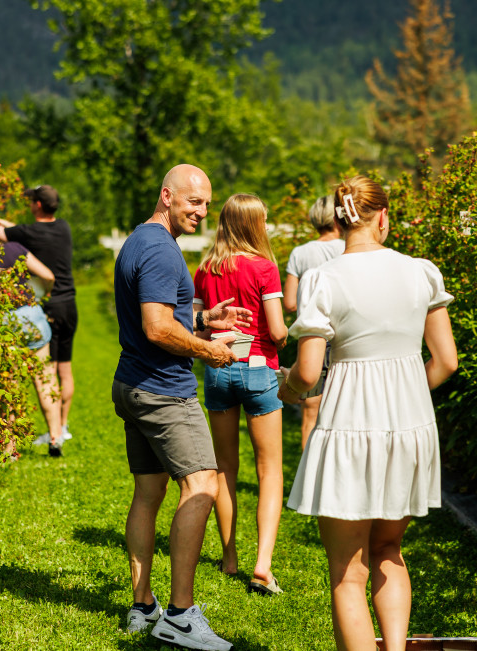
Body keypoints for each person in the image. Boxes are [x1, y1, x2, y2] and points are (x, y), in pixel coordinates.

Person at [277, 176, 458, 651]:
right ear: (383, 217)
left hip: (349, 425)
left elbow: (310, 371)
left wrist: (288, 389)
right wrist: (405, 394)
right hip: (410, 427)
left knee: (347, 572)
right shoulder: (422, 271)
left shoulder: (322, 278)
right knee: (388, 550)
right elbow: (446, 361)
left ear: (339, 221)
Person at [113, 164, 252, 651]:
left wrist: (202, 316)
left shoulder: (139, 240)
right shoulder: (159, 249)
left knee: (148, 493)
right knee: (204, 485)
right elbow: (156, 328)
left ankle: (142, 605)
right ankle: (180, 615)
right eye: (194, 202)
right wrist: (213, 349)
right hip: (163, 390)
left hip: (133, 384)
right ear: (167, 196)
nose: (202, 212)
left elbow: (158, 311)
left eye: (207, 204)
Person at [193, 193, 287, 595]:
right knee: (269, 471)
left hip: (218, 369)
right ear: (255, 224)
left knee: (225, 468)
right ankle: (262, 565)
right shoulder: (265, 268)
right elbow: (279, 331)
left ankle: (229, 558)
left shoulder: (205, 269)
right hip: (259, 369)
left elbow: (195, 329)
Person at [0, 184, 77, 447]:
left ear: (37, 205)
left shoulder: (25, 234)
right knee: (65, 368)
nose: (29, 205)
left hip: (48, 304)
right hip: (70, 304)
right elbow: (17, 228)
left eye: (31, 202)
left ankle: (49, 433)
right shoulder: (62, 227)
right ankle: (62, 427)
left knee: (46, 373)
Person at [0, 229, 63, 456]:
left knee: (9, 385)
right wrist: (43, 294)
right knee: (45, 378)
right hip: (31, 316)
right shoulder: (14, 249)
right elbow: (48, 275)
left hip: (2, 322)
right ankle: (55, 437)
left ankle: (9, 448)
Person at [282, 195, 344, 449]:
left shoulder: (301, 253)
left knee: (310, 412)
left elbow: (289, 303)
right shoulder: (348, 248)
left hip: (314, 338)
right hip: (343, 334)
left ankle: (308, 475)